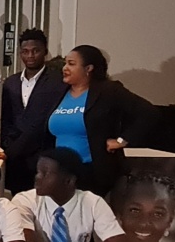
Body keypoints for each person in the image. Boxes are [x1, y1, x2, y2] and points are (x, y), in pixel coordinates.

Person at [48, 45, 158, 196]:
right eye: (65, 63)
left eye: (71, 64)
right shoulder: (60, 92)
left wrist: (122, 140)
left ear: (88, 68)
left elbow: (148, 113)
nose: (65, 68)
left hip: (91, 172)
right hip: (60, 172)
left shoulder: (108, 91)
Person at [0, 29, 68, 194]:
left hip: (42, 152)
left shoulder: (57, 82)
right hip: (16, 157)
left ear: (45, 51)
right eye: (25, 52)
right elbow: (6, 119)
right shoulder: (11, 82)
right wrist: (7, 149)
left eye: (35, 51)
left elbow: (47, 119)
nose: (30, 56)